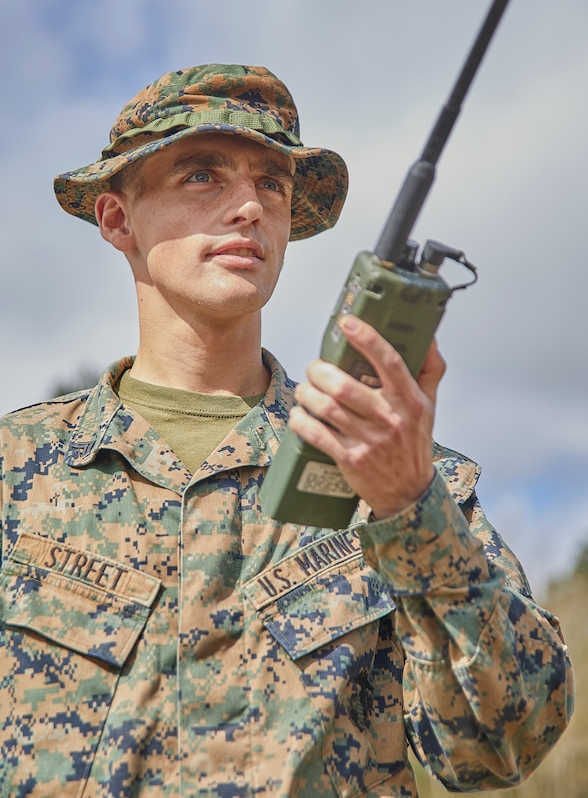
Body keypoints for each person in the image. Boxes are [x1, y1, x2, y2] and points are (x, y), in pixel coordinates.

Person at [0, 64, 573, 797]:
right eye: (202, 175)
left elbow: (503, 745)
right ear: (117, 220)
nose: (249, 207)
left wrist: (413, 512)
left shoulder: (395, 478)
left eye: (271, 183)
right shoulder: (20, 471)